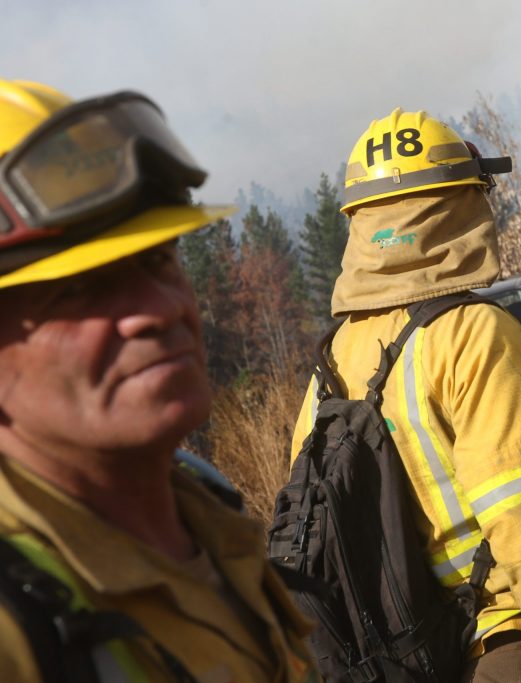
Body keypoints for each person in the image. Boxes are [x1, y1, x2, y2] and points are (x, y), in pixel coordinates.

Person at [289, 108, 521, 683]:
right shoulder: (475, 332)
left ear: (361, 221)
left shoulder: (332, 358)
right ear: (458, 207)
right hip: (503, 645)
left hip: (396, 658)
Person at [0, 80, 320, 681]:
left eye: (157, 260)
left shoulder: (207, 511)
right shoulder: (15, 626)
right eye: (82, 289)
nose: (158, 309)